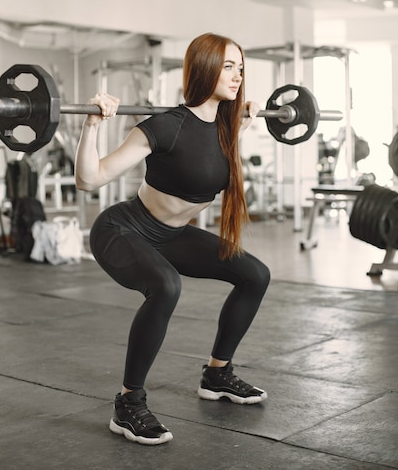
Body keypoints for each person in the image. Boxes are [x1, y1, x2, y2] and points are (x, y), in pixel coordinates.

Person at [74, 32, 271, 446]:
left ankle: (217, 374)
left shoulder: (225, 126)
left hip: (173, 235)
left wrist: (249, 115)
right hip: (123, 230)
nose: (237, 76)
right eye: (227, 66)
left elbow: (221, 143)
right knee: (165, 286)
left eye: (240, 67)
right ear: (202, 68)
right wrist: (92, 123)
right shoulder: (164, 126)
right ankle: (129, 404)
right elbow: (89, 179)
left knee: (255, 274)